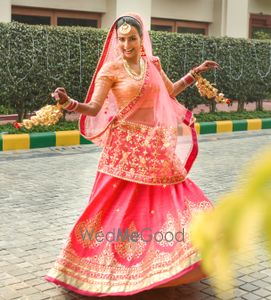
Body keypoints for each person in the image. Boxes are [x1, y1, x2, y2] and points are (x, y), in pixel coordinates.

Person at [44, 13, 218, 297]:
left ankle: (170, 264)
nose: (127, 44)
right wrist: (69, 103)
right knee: (114, 209)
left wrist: (195, 72)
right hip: (124, 151)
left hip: (155, 146)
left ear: (142, 39)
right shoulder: (110, 71)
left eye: (132, 38)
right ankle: (106, 269)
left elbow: (171, 91)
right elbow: (94, 107)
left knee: (174, 200)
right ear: (117, 40)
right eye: (122, 39)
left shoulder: (151, 64)